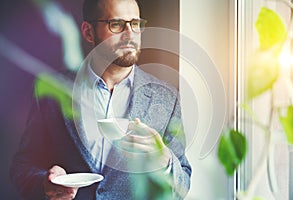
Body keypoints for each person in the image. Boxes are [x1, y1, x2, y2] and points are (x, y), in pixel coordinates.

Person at [10, 0, 191, 199]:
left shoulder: (166, 97)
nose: (130, 34)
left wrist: (164, 161)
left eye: (135, 23)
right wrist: (45, 182)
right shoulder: (53, 90)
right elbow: (22, 167)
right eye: (116, 24)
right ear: (88, 32)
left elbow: (183, 183)